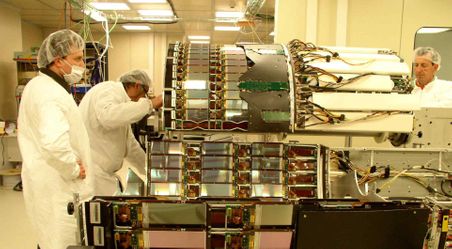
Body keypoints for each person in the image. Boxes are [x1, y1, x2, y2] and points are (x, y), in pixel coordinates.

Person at [17, 29, 93, 249]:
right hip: (59, 187)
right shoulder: (49, 94)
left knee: (49, 238)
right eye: (77, 59)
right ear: (58, 61)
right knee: (63, 241)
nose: (82, 65)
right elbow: (53, 143)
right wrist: (73, 168)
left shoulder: (40, 86)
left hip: (47, 182)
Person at [79, 69, 162, 196]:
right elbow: (108, 116)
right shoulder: (108, 90)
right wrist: (150, 104)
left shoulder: (121, 104)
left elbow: (130, 147)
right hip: (94, 173)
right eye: (144, 93)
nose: (142, 99)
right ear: (137, 85)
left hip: (104, 175)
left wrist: (152, 171)